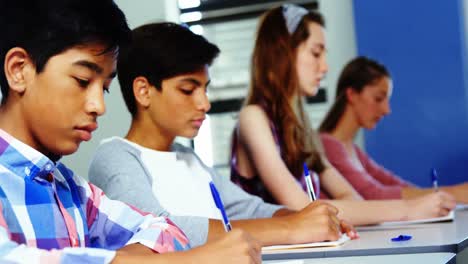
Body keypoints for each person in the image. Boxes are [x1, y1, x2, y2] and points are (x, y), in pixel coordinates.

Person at [0, 0, 261, 263]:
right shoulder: (113, 161)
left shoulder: (74, 189)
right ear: (19, 70)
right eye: (82, 81)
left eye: (104, 88)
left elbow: (167, 231)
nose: (99, 106)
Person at [88, 21, 355, 248]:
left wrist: (310, 218)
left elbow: (250, 209)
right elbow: (159, 230)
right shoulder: (115, 156)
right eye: (188, 89)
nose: (204, 103)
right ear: (144, 91)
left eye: (205, 89)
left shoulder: (188, 157)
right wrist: (292, 228)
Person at [230, 4, 456, 226]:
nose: (326, 67)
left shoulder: (303, 130)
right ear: (283, 51)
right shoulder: (253, 118)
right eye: (316, 53)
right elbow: (303, 210)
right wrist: (409, 209)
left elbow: (350, 196)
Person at [319, 56, 468, 203]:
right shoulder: (327, 145)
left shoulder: (352, 150)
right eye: (378, 98)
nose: (386, 110)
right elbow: (373, 195)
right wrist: (453, 193)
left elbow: (396, 185)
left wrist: (439, 197)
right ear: (351, 94)